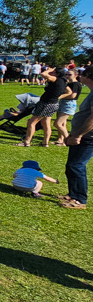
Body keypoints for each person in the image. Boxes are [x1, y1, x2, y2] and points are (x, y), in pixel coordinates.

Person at [62, 69, 93, 209]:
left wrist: (78, 135)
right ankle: (72, 195)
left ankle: (80, 200)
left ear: (89, 77)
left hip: (88, 137)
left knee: (77, 166)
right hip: (80, 135)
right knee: (71, 166)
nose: (80, 77)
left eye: (83, 75)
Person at [17, 67, 66, 147]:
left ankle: (26, 142)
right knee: (46, 123)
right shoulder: (63, 81)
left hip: (46, 104)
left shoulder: (56, 79)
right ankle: (45, 143)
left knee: (31, 122)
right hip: (53, 104)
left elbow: (43, 74)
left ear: (57, 73)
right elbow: (68, 91)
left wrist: (50, 70)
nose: (51, 73)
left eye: (53, 72)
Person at [55, 69, 82, 146]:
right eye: (66, 74)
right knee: (62, 123)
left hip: (69, 104)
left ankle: (68, 140)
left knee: (57, 123)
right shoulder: (68, 83)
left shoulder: (75, 84)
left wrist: (60, 96)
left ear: (75, 75)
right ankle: (60, 140)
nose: (67, 76)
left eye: (69, 74)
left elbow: (73, 96)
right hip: (63, 102)